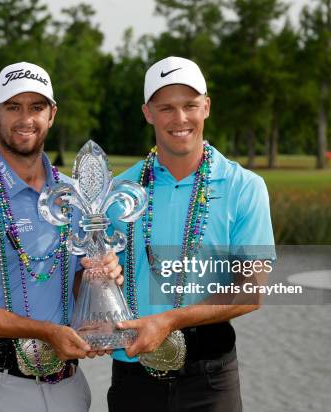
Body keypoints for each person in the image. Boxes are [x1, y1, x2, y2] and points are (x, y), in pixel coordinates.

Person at [0, 61, 121, 412]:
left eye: (36, 107)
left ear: (52, 114)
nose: (25, 119)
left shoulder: (75, 195)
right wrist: (45, 332)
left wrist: (100, 279)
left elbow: (78, 283)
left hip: (68, 386)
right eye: (13, 107)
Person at [107, 56, 275, 411]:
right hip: (133, 376)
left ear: (207, 107)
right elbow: (94, 281)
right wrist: (99, 276)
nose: (180, 119)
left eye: (190, 106)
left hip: (210, 379)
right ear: (147, 112)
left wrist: (170, 320)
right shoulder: (118, 189)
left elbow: (252, 292)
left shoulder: (244, 186)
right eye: (166, 107)